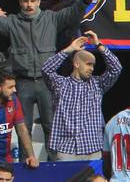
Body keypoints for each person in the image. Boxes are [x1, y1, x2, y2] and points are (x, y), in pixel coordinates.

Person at [0, 0, 100, 147]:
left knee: (51, 126)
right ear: (20, 2)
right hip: (22, 82)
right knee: (23, 128)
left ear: (39, 2)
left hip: (47, 83)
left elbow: (71, 13)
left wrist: (85, 0)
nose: (29, 5)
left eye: (33, 1)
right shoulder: (13, 22)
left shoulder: (51, 19)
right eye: (26, 1)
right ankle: (26, 164)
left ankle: (52, 165)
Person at [40, 31, 122, 161]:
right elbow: (46, 69)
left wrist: (99, 45)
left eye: (93, 65)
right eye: (89, 64)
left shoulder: (97, 84)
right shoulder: (61, 84)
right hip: (65, 149)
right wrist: (70, 49)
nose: (92, 69)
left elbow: (116, 68)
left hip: (92, 148)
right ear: (77, 64)